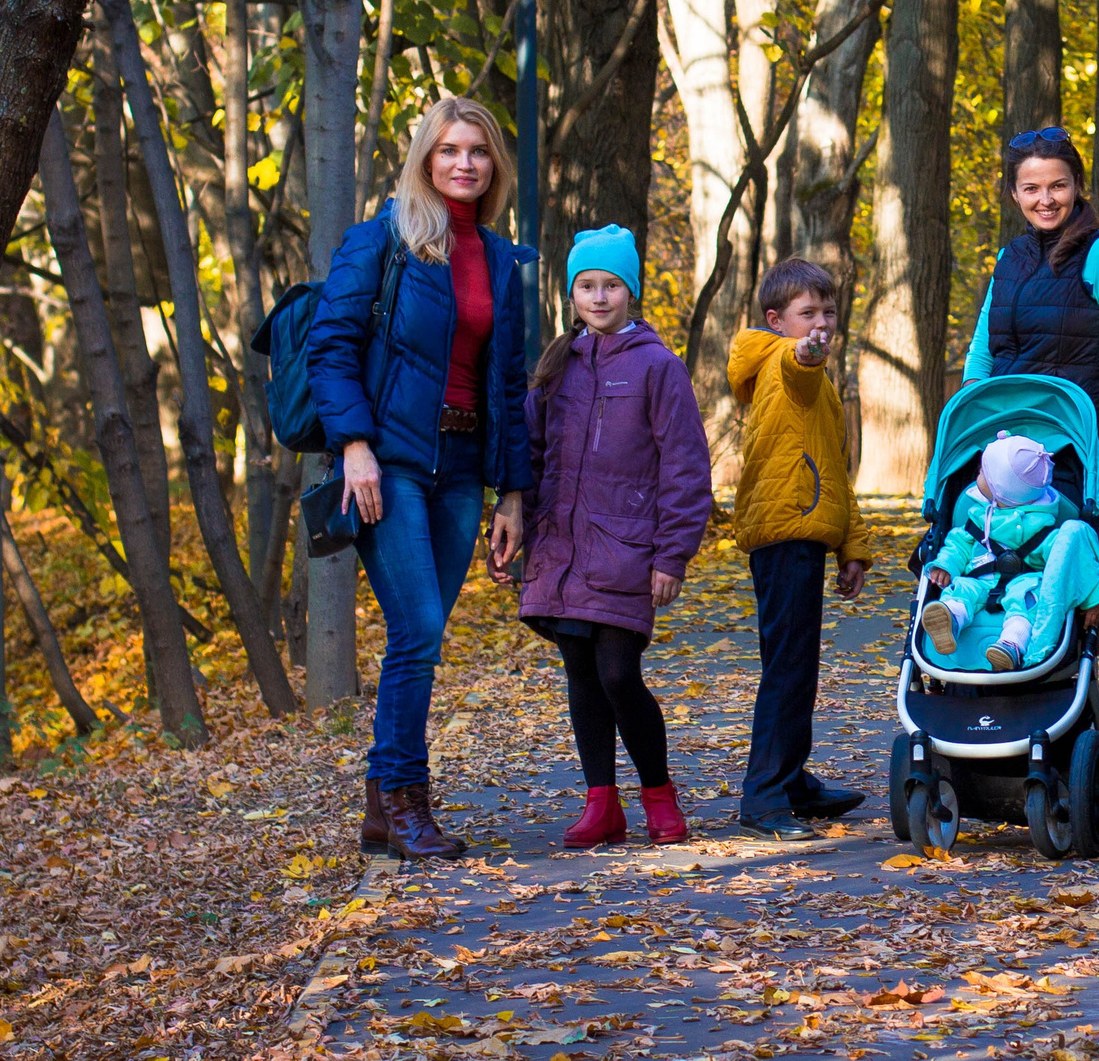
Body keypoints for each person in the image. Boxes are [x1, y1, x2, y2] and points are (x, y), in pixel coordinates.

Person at [306, 95, 532, 861]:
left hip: (464, 471)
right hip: (390, 464)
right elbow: (330, 346)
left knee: (422, 641)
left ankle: (383, 807)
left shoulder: (502, 260)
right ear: (425, 160)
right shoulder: (383, 241)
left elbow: (507, 385)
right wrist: (355, 446)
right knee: (420, 629)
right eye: (448, 150)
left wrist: (513, 492)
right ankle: (405, 801)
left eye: (477, 150)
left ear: (492, 164)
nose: (463, 162)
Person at [508, 225, 714, 848]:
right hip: (561, 549)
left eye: (611, 285)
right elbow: (532, 456)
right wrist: (516, 527)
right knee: (581, 673)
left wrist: (671, 555)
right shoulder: (555, 366)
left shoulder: (658, 367)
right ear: (571, 293)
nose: (599, 297)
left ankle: (658, 793)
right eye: (586, 286)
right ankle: (602, 803)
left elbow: (685, 467)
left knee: (620, 673)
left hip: (628, 549)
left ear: (632, 291)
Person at [728, 258, 873, 840]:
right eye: (807, 314)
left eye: (829, 313)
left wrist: (853, 546)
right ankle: (765, 797)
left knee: (794, 664)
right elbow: (801, 364)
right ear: (776, 320)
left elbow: (835, 471)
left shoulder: (817, 383)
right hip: (785, 527)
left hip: (804, 526)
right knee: (789, 667)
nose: (822, 324)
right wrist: (807, 352)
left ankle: (790, 781)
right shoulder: (783, 362)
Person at [964, 128, 1099, 488]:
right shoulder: (1009, 258)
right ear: (1015, 193)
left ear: (1077, 184)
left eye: (1058, 185)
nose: (1046, 199)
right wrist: (972, 433)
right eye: (1031, 188)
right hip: (996, 445)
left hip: (1063, 448)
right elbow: (980, 356)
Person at [920, 432, 1099, 670]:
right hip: (979, 578)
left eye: (982, 473)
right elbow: (958, 544)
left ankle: (1011, 644)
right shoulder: (979, 516)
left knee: (1026, 600)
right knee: (961, 589)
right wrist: (946, 565)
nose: (977, 475)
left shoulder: (1042, 526)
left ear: (1000, 490)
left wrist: (1094, 598)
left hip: (1024, 580)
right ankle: (950, 619)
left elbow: (1070, 559)